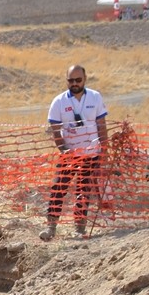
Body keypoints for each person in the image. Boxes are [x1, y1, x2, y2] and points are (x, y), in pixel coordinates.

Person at [42, 64, 108, 240]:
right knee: (58, 188)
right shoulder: (59, 102)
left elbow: (101, 125)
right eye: (71, 80)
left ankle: (80, 229)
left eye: (78, 80)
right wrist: (64, 150)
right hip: (69, 155)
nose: (74, 83)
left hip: (91, 154)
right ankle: (51, 228)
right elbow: (56, 131)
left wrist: (105, 150)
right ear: (67, 81)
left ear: (85, 79)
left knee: (83, 190)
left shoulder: (95, 97)